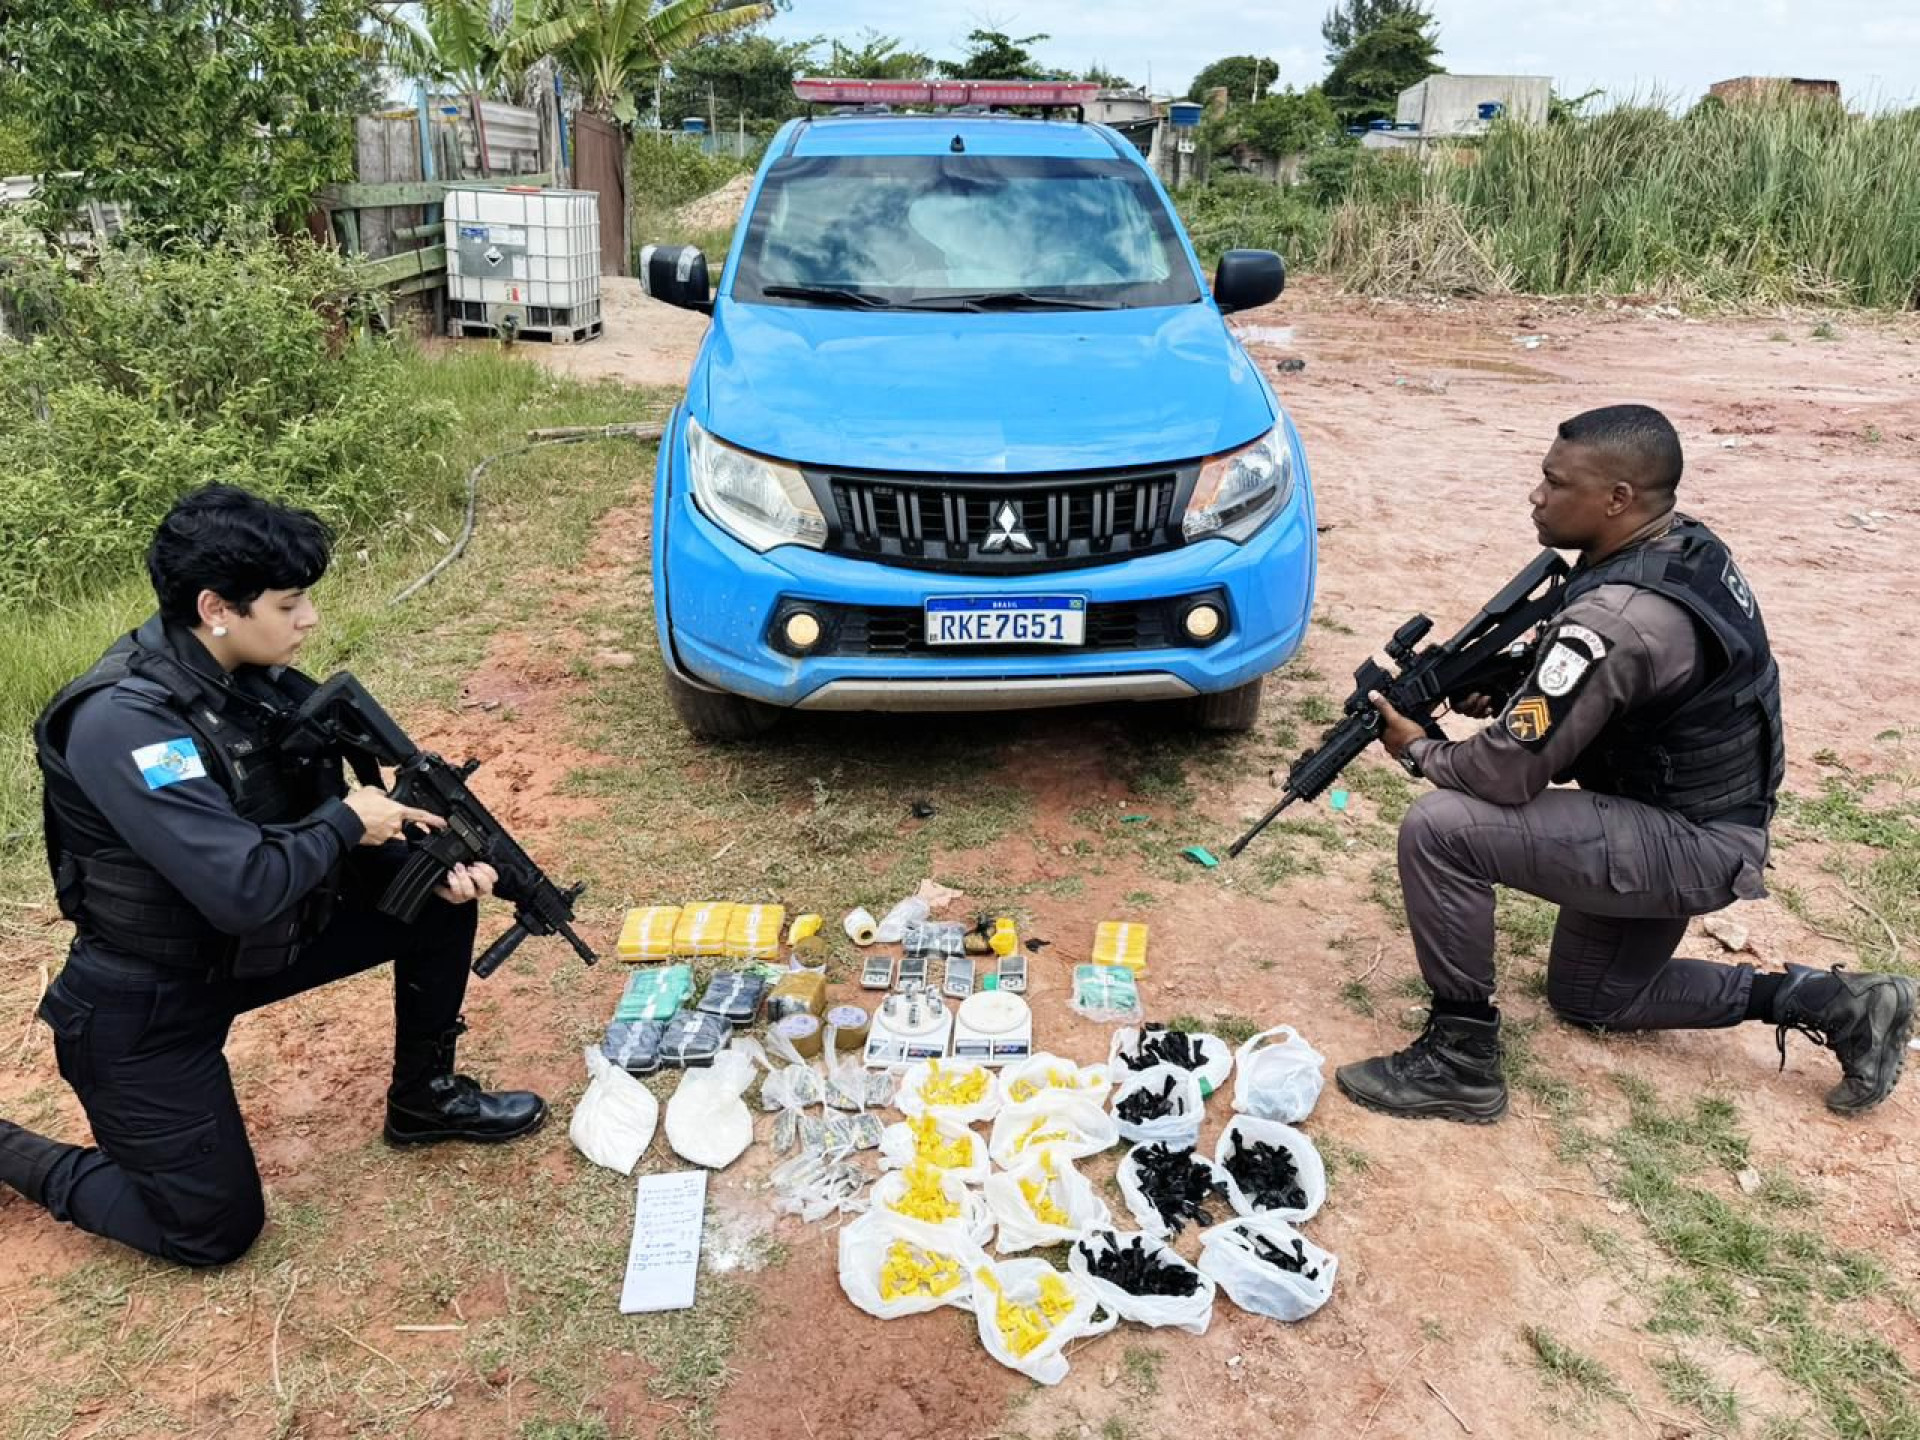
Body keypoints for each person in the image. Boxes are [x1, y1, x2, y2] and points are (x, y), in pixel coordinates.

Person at [0, 485, 547, 1266]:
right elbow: (242, 884)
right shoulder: (125, 724)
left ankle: (423, 1100)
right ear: (216, 606)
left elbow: (303, 828)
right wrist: (351, 820)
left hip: (252, 949)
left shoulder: (247, 681)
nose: (309, 621)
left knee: (430, 889)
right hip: (148, 1005)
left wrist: (424, 860)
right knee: (212, 1232)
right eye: (289, 605)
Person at [1336, 404, 1913, 1124]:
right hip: (1697, 820)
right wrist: (1518, 685)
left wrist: (1417, 748)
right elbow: (1627, 690)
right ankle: (1836, 1003)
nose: (1536, 495)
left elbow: (1505, 775)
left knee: (1440, 827)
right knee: (1595, 998)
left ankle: (1459, 1059)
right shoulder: (1683, 548)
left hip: (1688, 841)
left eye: (1555, 483)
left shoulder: (1614, 619)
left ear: (1618, 500)